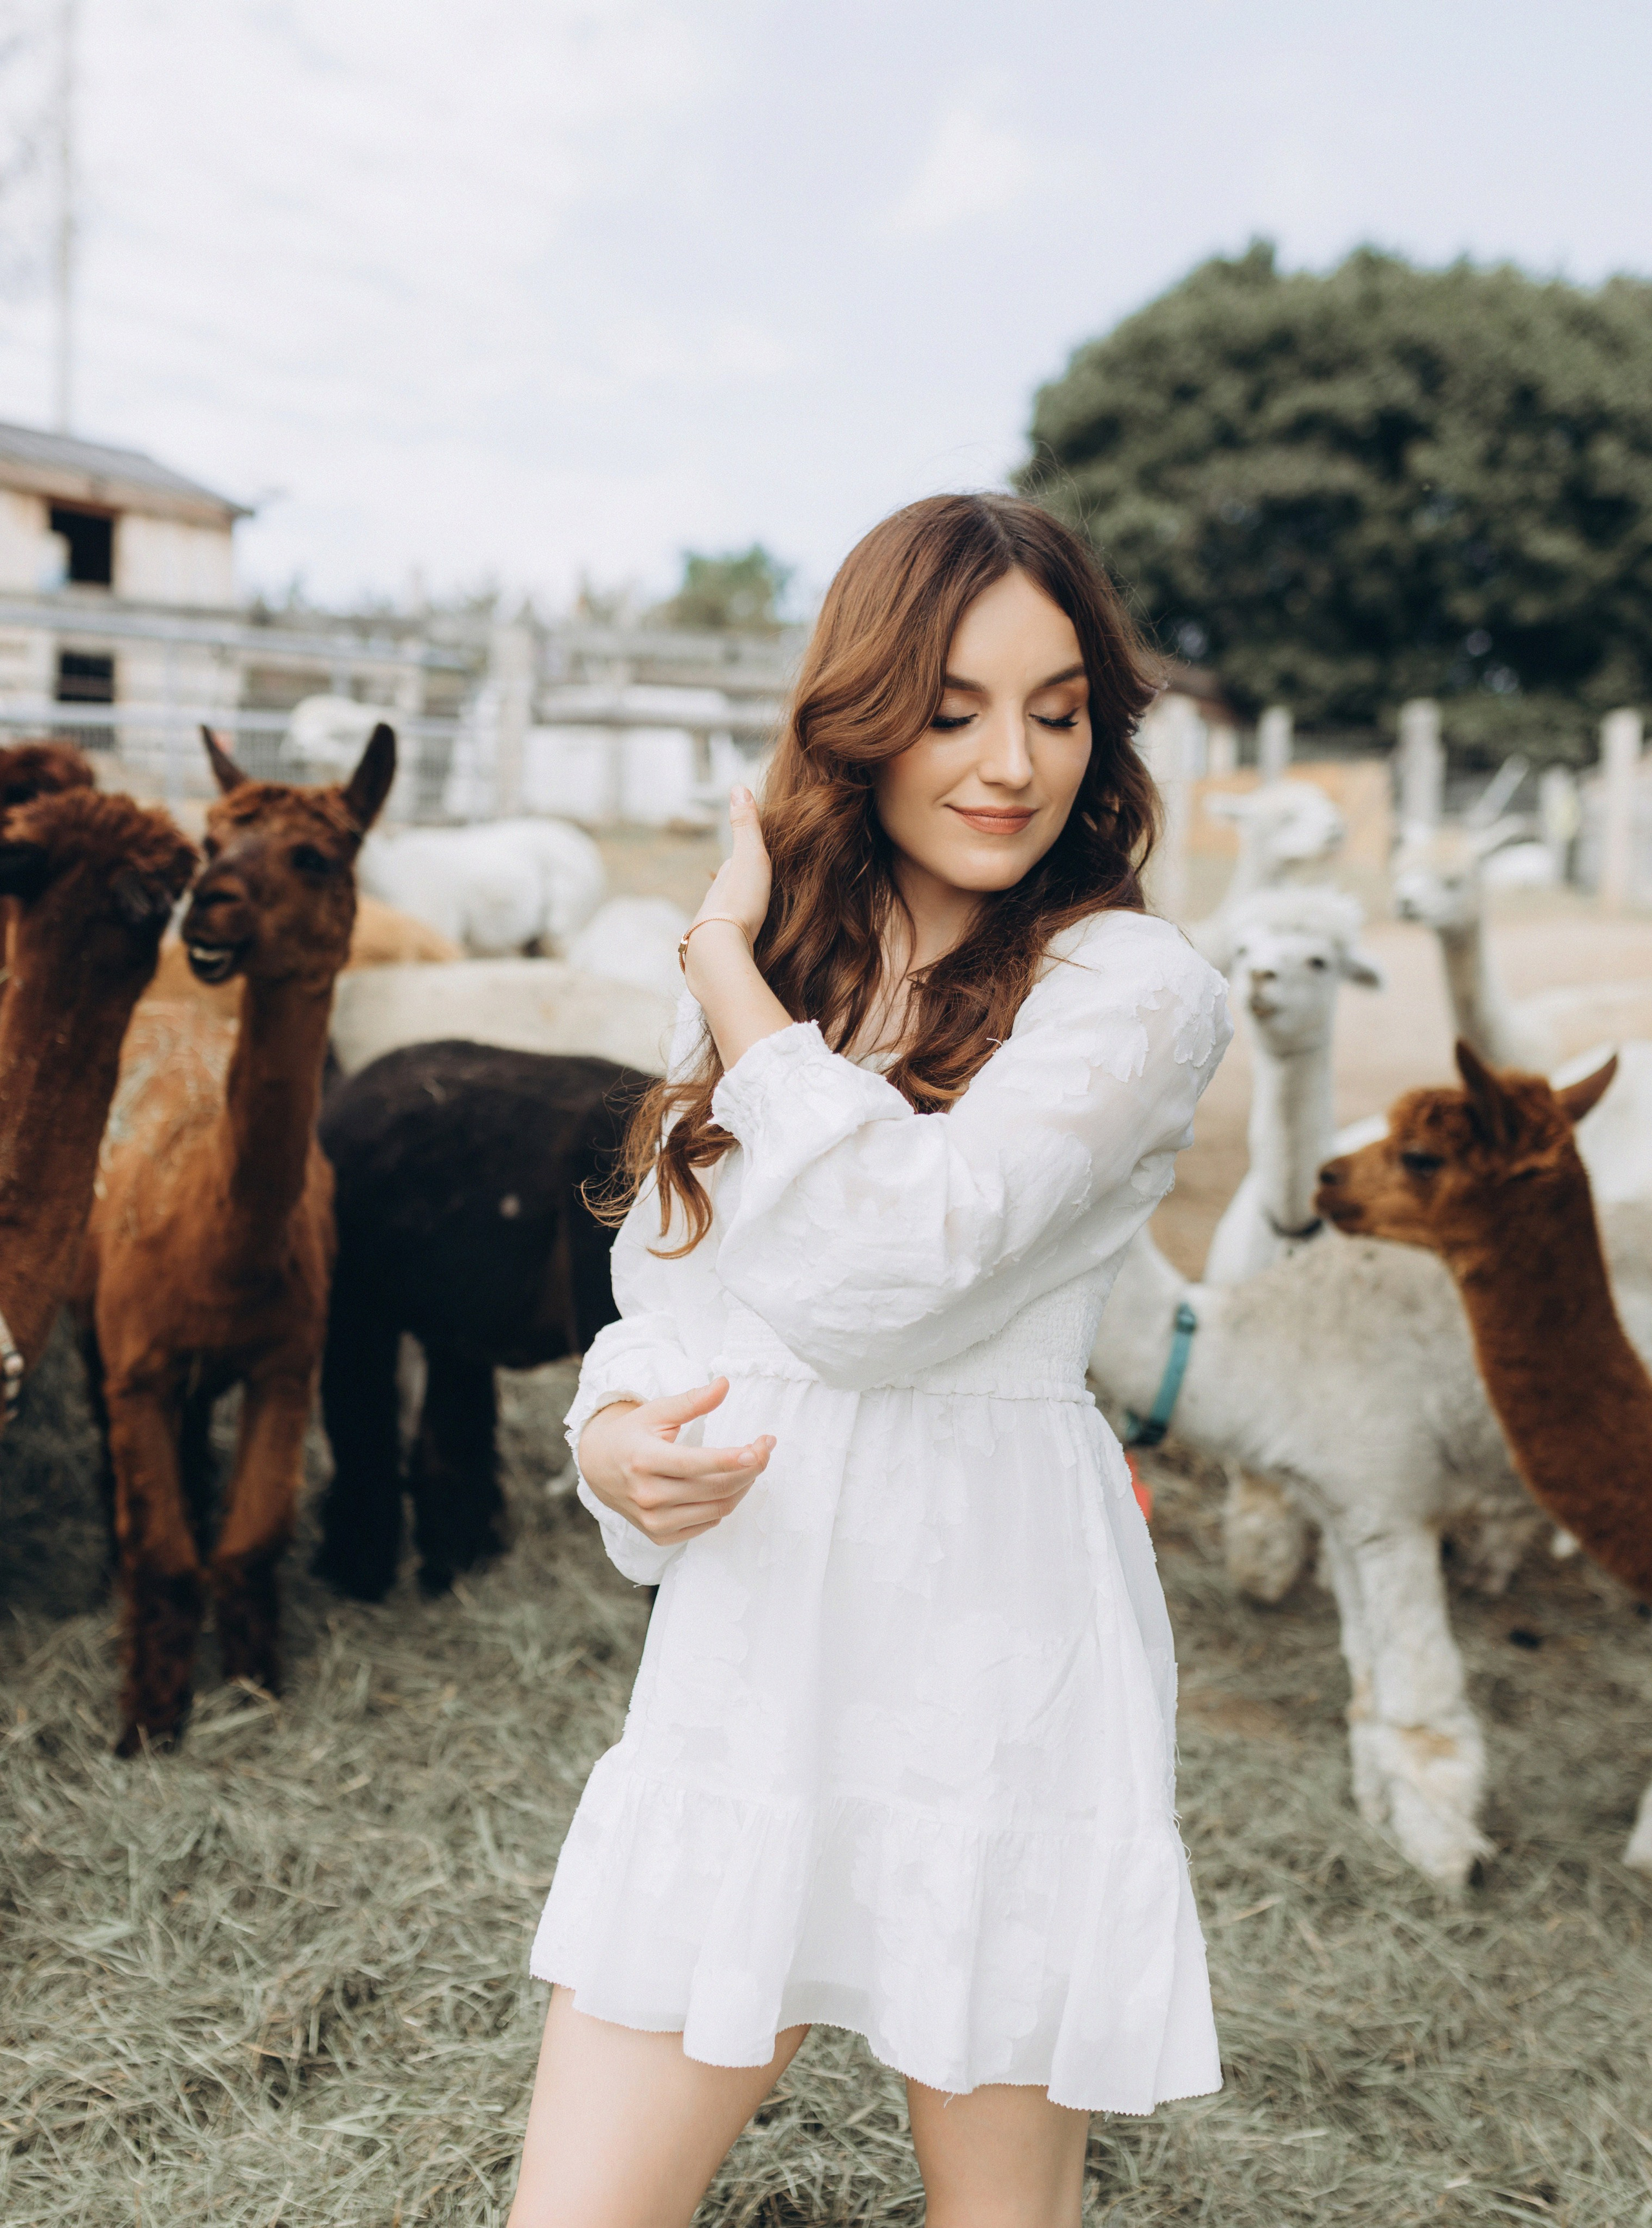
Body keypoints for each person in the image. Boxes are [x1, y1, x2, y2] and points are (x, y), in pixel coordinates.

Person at [507, 493, 1231, 2228]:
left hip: (1000, 1644)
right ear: (860, 715)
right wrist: (610, 1438)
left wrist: (717, 966)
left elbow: (901, 1267)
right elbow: (665, 1300)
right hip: (755, 1641)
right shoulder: (776, 987)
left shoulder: (1129, 986)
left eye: (1058, 709)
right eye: (954, 706)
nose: (1012, 761)